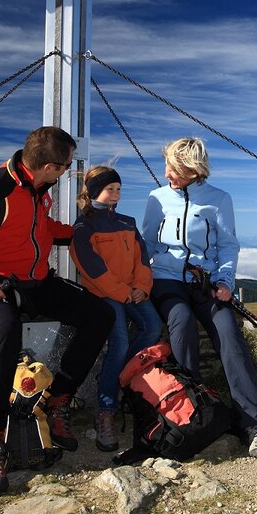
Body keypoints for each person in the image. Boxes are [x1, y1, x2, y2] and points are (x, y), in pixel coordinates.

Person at [0, 126, 113, 493]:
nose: (67, 172)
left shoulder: (37, 188)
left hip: (37, 281)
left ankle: (57, 400)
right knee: (4, 331)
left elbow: (38, 228)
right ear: (49, 167)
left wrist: (77, 232)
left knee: (99, 315)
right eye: (66, 166)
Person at [141, 137, 257, 460]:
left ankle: (253, 423)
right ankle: (192, 413)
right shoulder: (157, 198)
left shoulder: (218, 199)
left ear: (193, 170)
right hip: (166, 279)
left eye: (174, 168)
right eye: (168, 165)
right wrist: (136, 281)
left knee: (228, 332)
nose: (167, 173)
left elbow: (228, 245)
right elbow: (147, 243)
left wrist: (225, 281)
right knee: (181, 321)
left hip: (207, 281)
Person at [70, 165, 163, 452]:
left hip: (133, 290)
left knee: (153, 328)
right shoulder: (84, 226)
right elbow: (93, 270)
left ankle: (118, 375)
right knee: (120, 340)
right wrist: (124, 293)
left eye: (119, 189)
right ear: (94, 191)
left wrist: (141, 287)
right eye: (110, 189)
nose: (116, 194)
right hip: (105, 294)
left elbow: (142, 260)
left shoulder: (127, 222)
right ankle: (106, 409)